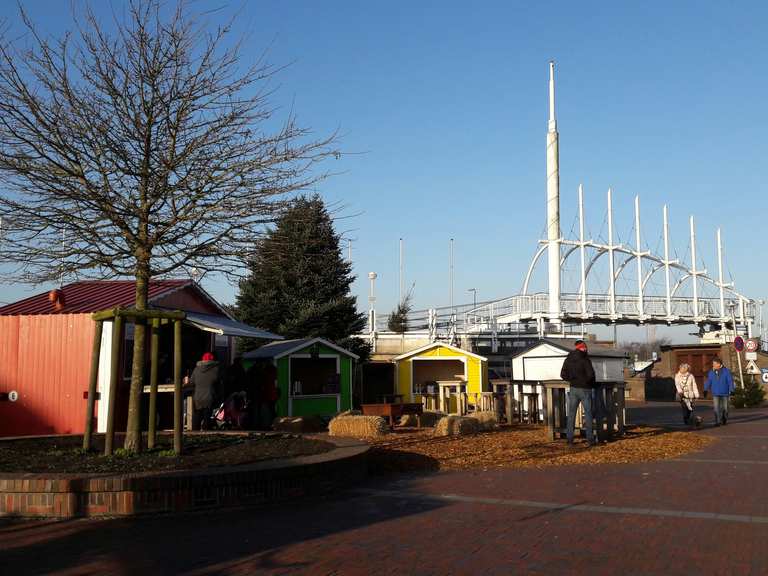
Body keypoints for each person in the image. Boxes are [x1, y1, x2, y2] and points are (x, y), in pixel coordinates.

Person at [560, 339, 597, 445]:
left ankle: (570, 439)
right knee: (589, 414)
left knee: (571, 414)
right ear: (583, 347)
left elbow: (562, 374)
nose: (586, 349)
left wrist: (572, 379)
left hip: (573, 389)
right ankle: (590, 439)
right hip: (585, 389)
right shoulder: (585, 359)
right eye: (585, 347)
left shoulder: (569, 358)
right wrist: (589, 383)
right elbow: (591, 375)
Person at [187, 351, 221, 430]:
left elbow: (192, 382)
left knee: (197, 416)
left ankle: (194, 434)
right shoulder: (216, 369)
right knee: (207, 417)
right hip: (210, 396)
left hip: (198, 397)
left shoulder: (196, 369)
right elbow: (219, 381)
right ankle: (205, 434)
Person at [704, 357, 734, 426]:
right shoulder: (711, 372)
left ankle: (724, 418)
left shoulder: (726, 371)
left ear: (719, 364)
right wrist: (705, 389)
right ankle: (717, 421)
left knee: (725, 408)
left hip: (725, 393)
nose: (713, 365)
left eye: (714, 364)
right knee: (716, 408)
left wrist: (732, 390)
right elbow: (708, 381)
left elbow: (730, 381)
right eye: (713, 364)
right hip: (715, 393)